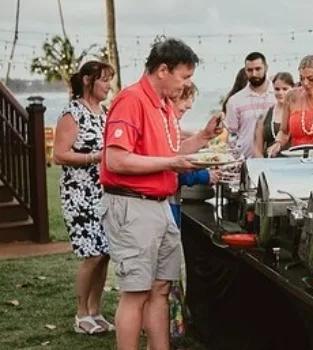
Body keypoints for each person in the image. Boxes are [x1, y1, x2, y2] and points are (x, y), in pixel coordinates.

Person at [100, 38, 223, 350]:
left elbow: (171, 152)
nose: (187, 84)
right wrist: (171, 162)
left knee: (160, 288)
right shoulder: (131, 99)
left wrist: (204, 136)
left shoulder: (165, 107)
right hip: (132, 206)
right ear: (163, 70)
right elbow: (116, 159)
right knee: (136, 293)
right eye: (184, 76)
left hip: (160, 207)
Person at [53, 60, 116, 335]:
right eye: (105, 80)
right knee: (91, 255)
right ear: (89, 81)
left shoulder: (104, 112)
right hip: (78, 194)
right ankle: (80, 315)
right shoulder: (72, 112)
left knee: (104, 254)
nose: (109, 86)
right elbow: (59, 154)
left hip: (102, 192)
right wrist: (94, 157)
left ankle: (95, 310)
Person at [165, 82, 219, 341]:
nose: (187, 106)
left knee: (172, 272)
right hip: (165, 207)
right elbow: (172, 172)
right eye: (184, 100)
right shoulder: (164, 126)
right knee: (167, 274)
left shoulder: (172, 126)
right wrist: (205, 174)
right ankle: (170, 329)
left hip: (172, 204)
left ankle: (173, 325)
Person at [225, 52, 276, 159]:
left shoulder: (278, 96)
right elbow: (231, 135)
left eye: (258, 69)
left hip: (276, 158)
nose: (254, 74)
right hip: (245, 160)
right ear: (245, 71)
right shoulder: (235, 101)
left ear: (266, 68)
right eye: (250, 70)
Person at [253, 72, 295, 157]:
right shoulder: (265, 114)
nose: (280, 92)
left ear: (292, 89)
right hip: (270, 162)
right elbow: (257, 147)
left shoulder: (298, 113)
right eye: (277, 89)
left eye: (285, 89)